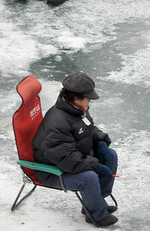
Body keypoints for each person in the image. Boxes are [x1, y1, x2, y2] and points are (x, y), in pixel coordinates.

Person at [31, 72, 118, 227]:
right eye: (88, 98)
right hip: (52, 170)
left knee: (110, 155)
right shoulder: (58, 122)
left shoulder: (77, 109)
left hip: (75, 156)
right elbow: (66, 158)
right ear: (76, 98)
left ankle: (96, 201)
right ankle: (96, 215)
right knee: (89, 177)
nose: (90, 101)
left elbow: (87, 128)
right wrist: (94, 163)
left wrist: (99, 136)